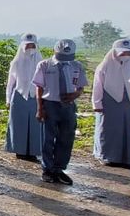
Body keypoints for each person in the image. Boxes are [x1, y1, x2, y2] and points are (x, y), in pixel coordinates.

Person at [32, 39, 88, 185]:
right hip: (50, 104)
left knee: (66, 138)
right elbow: (39, 87)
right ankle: (47, 170)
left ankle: (59, 168)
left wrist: (75, 95)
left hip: (68, 105)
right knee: (47, 139)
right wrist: (40, 108)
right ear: (54, 52)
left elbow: (81, 87)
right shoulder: (44, 65)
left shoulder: (76, 66)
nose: (64, 61)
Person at [92, 38, 130, 167]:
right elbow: (97, 86)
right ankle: (107, 155)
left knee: (128, 129)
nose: (125, 56)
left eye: (128, 53)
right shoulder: (104, 66)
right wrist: (97, 104)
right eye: (122, 53)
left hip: (129, 101)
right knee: (108, 129)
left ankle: (127, 157)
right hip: (109, 101)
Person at [5, 33, 42, 162]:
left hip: (36, 97)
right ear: (22, 46)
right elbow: (11, 82)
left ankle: (33, 151)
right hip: (19, 97)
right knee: (18, 124)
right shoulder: (16, 62)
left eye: (33, 45)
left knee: (35, 125)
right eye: (28, 45)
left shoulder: (41, 62)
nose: (30, 48)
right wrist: (8, 99)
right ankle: (19, 150)